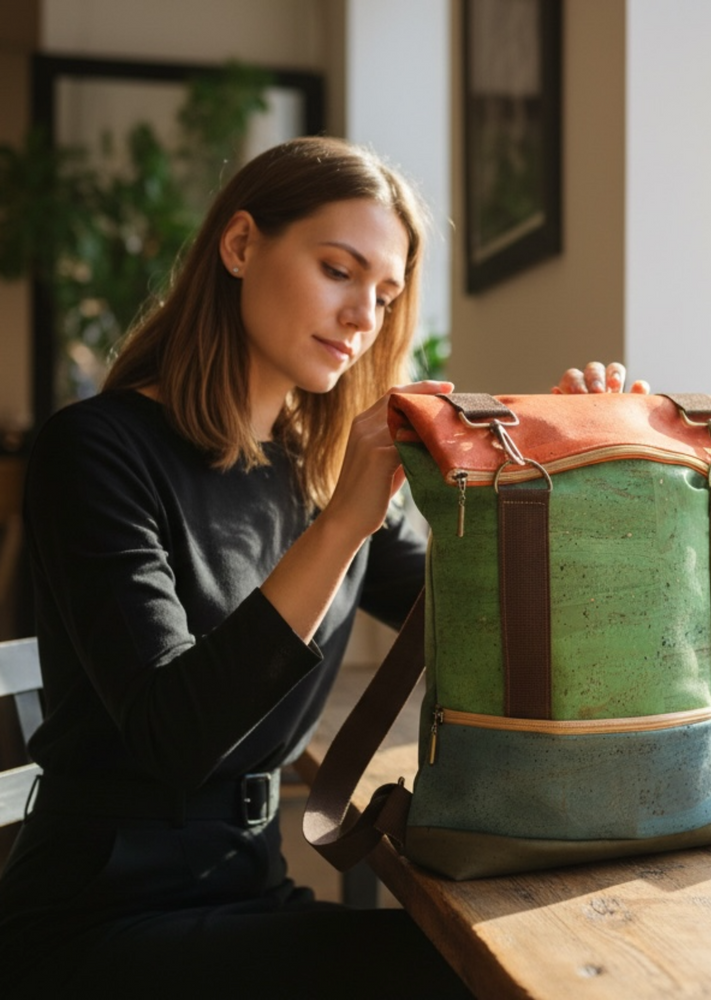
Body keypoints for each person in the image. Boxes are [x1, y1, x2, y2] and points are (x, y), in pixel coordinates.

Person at [0, 135, 646, 998]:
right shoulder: (95, 451)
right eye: (338, 270)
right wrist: (345, 520)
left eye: (385, 295)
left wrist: (581, 465)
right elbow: (176, 733)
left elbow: (492, 622)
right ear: (239, 246)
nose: (362, 318)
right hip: (100, 921)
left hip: (249, 893)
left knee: (528, 959)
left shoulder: (312, 472)